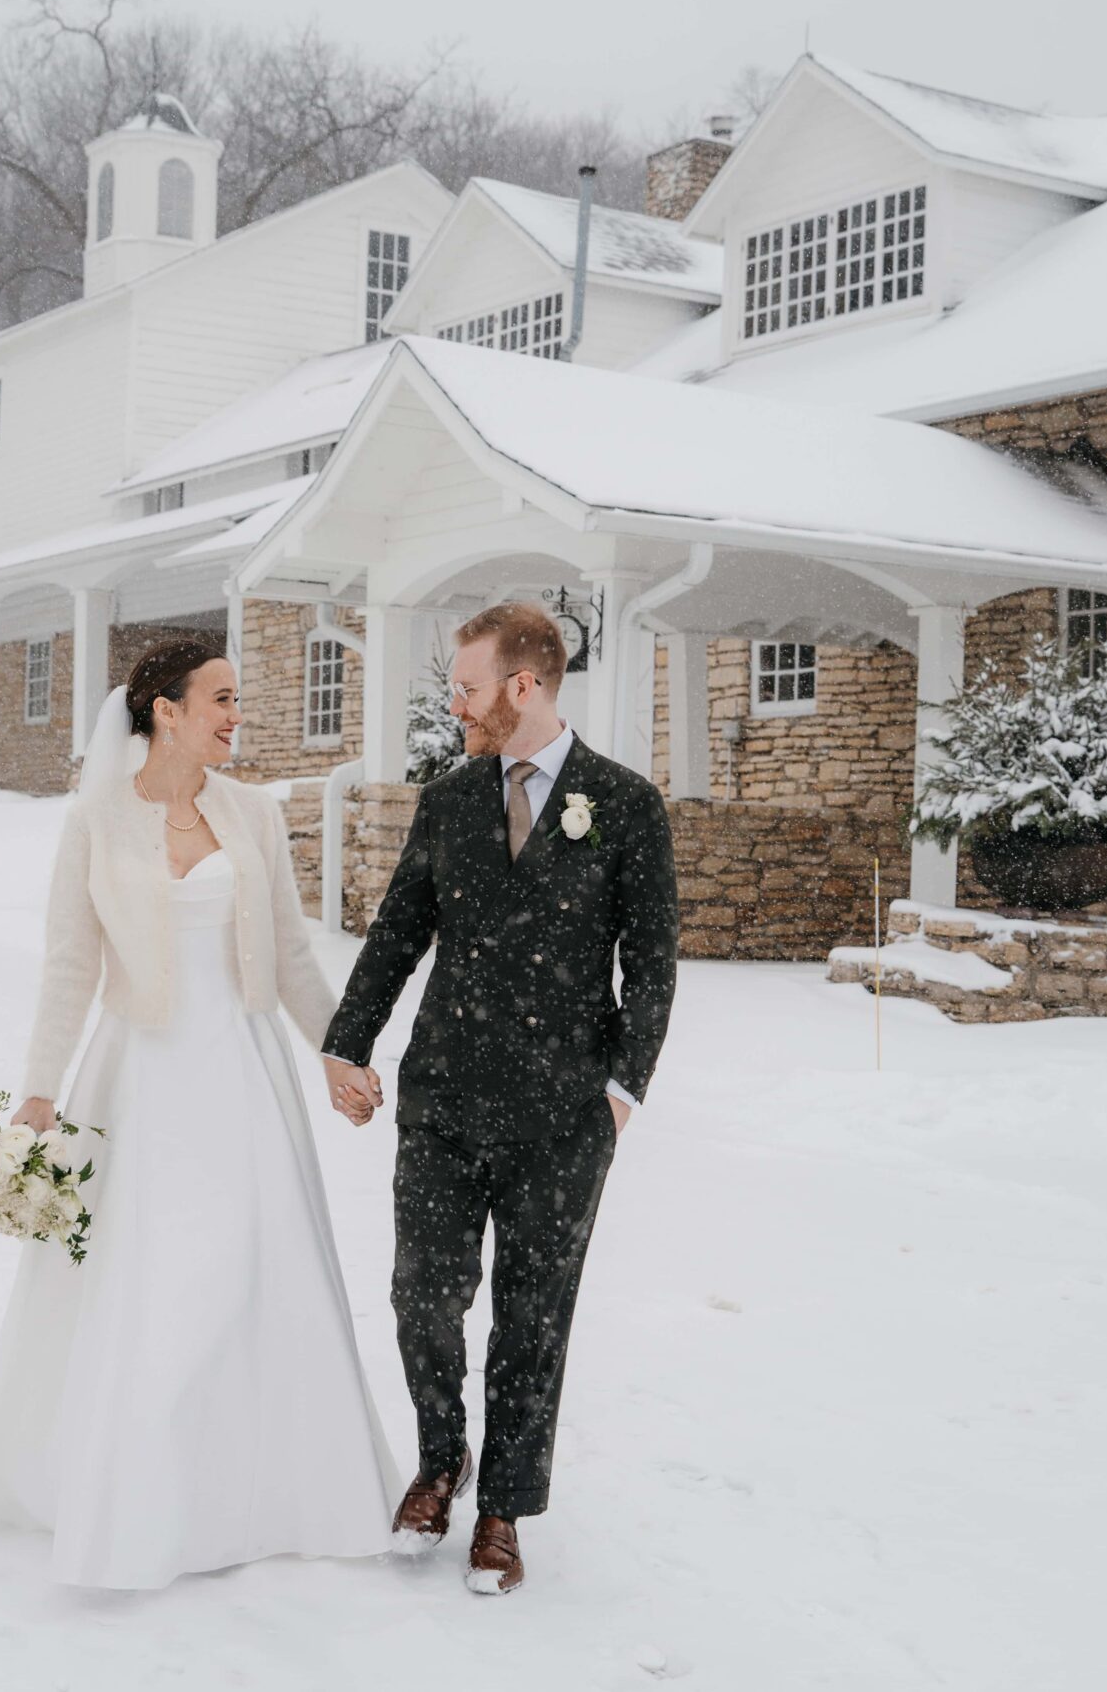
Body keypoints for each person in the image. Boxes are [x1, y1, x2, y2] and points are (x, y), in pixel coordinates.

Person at [0, 639, 401, 1589]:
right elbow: (70, 964)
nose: (237, 715)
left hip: (242, 1073)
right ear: (166, 709)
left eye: (239, 700)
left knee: (248, 1274)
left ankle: (257, 1490)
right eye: (221, 698)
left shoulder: (254, 814)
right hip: (140, 1080)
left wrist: (339, 1052)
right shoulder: (96, 820)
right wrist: (37, 1092)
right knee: (154, 1285)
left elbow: (294, 955)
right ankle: (141, 1497)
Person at [319, 602, 679, 1597]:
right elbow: (397, 934)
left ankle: (503, 1511)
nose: (456, 702)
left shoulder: (623, 804)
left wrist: (619, 1092)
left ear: (525, 687)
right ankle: (441, 1461)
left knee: (533, 1319)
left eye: (467, 686)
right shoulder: (447, 802)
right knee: (421, 1296)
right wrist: (345, 1044)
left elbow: (651, 969)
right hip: (443, 1099)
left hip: (565, 1119)